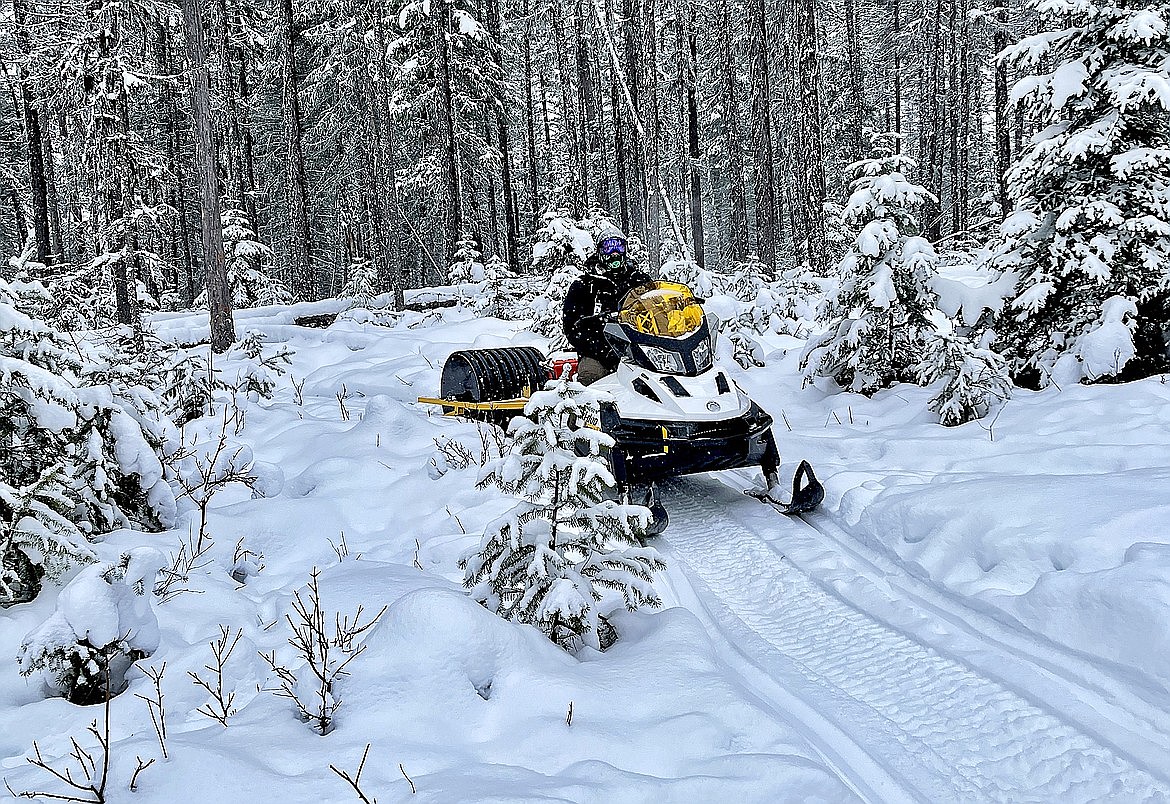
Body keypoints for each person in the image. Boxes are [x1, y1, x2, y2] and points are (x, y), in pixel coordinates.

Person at [562, 235, 652, 384]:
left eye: (619, 247)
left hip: (639, 348)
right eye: (609, 248)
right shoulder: (584, 284)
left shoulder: (639, 280)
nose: (615, 253)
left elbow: (657, 309)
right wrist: (603, 350)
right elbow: (572, 327)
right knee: (591, 377)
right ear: (600, 251)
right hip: (598, 353)